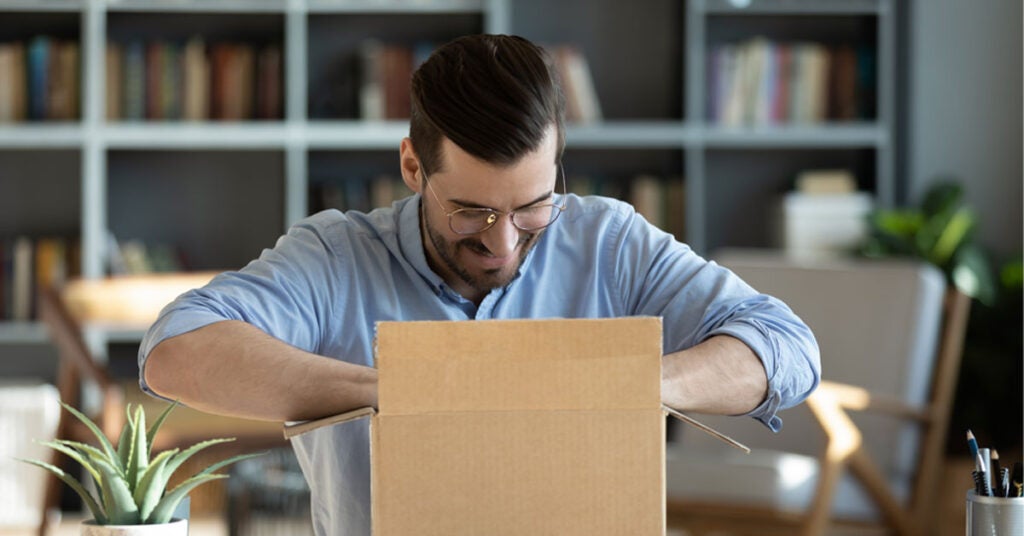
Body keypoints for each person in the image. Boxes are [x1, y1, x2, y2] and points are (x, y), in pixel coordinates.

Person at [139, 34, 820, 535]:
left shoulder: (608, 240)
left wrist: (623, 385)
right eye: (471, 211)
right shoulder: (337, 255)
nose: (501, 242)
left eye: (531, 207)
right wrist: (411, 390)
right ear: (413, 166)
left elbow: (786, 347)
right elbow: (174, 348)